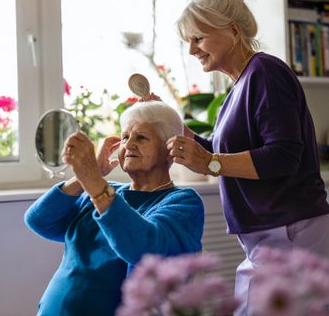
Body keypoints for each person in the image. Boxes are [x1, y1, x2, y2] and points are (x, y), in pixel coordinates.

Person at [166, 0, 329, 315]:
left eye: (198, 38)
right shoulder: (239, 86)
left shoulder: (266, 73)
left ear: (232, 31)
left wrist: (211, 162)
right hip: (267, 235)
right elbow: (220, 149)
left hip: (290, 228)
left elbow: (283, 157)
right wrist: (171, 125)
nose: (192, 50)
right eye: (188, 41)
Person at [24, 101, 204, 316]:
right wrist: (84, 179)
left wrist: (94, 182)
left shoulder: (182, 202)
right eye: (125, 137)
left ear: (168, 149)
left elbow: (143, 248)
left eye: (141, 137)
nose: (128, 145)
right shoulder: (102, 190)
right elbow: (40, 221)